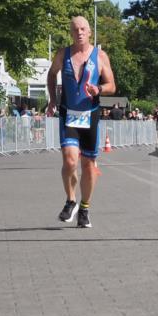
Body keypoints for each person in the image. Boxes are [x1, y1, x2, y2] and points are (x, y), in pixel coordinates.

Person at [46, 16, 116, 228]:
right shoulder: (62, 54)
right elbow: (51, 74)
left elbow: (112, 85)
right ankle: (70, 200)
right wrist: (52, 100)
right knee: (69, 161)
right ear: (71, 33)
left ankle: (84, 208)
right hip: (68, 113)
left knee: (88, 166)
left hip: (90, 114)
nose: (79, 32)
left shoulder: (100, 56)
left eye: (83, 29)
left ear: (90, 32)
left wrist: (100, 89)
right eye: (75, 29)